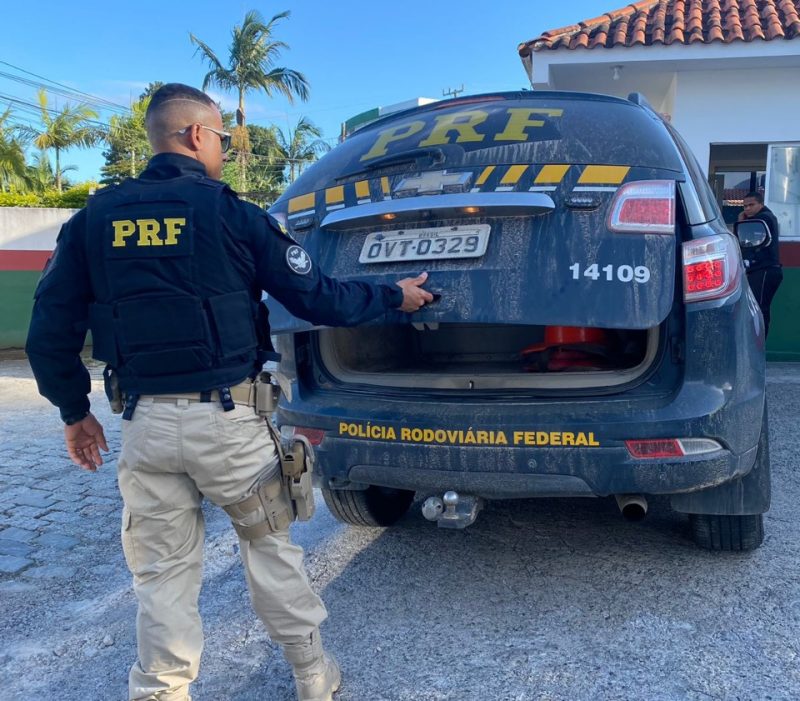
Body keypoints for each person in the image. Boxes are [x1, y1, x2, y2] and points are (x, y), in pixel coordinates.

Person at [26, 82, 434, 701]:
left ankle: (161, 692)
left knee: (161, 574)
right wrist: (394, 296)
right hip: (229, 422)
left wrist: (74, 411)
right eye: (220, 136)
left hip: (144, 426)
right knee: (269, 547)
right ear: (196, 135)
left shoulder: (92, 221)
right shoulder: (234, 214)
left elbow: (47, 331)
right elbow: (318, 297)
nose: (222, 147)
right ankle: (312, 676)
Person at [738, 191, 783, 338]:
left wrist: (742, 222)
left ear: (761, 204)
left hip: (764, 269)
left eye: (751, 205)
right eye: (745, 206)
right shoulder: (764, 218)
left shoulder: (763, 219)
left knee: (759, 309)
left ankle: (758, 343)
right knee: (758, 308)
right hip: (764, 270)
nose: (747, 209)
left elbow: (747, 240)